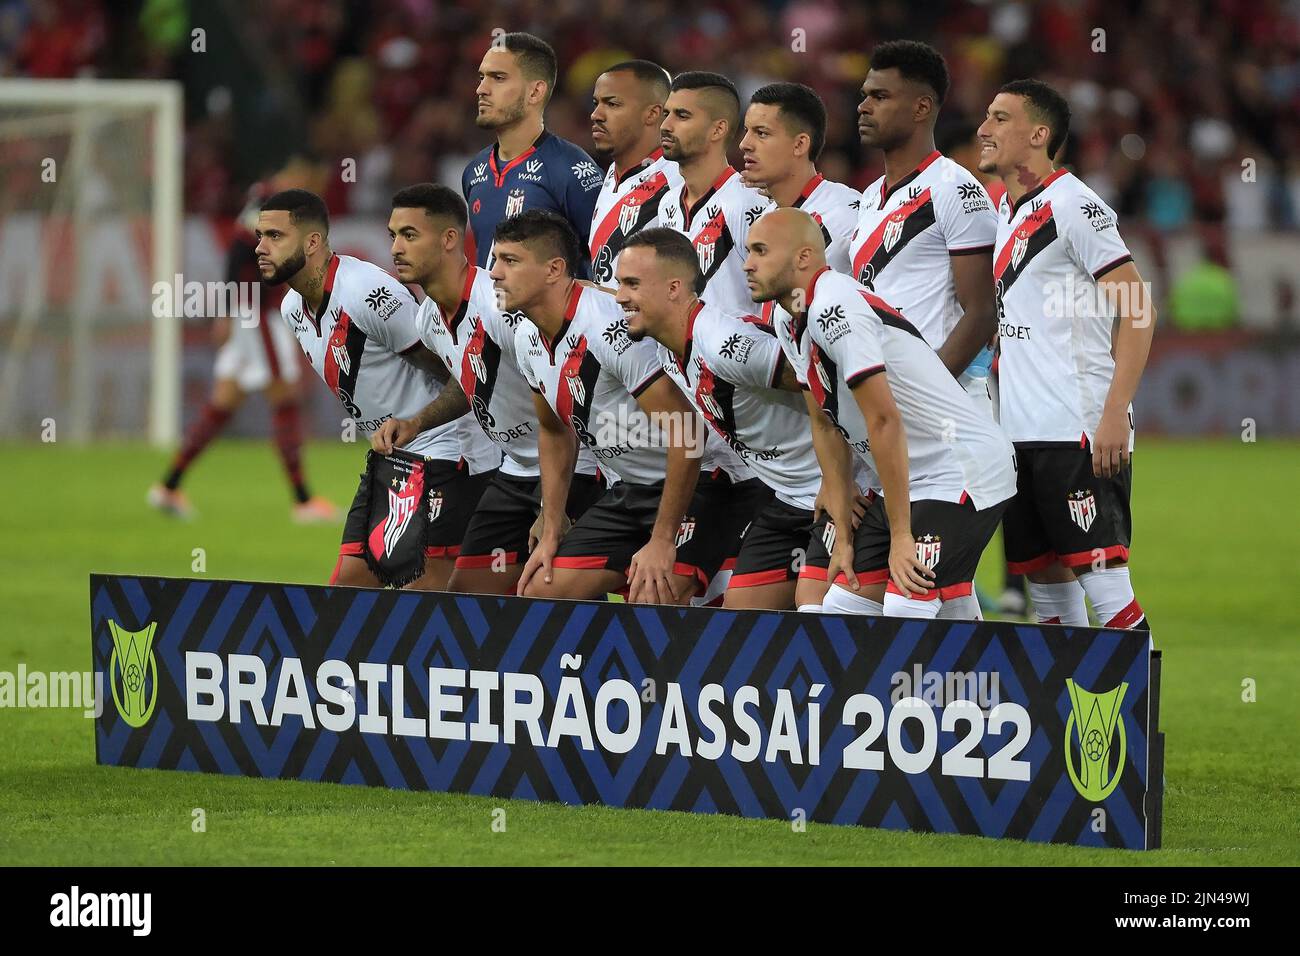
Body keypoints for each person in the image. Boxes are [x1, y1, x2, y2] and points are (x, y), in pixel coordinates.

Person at [747, 209, 1017, 620]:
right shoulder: (789, 317)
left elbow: (883, 421)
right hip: (916, 481)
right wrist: (841, 529)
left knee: (905, 602)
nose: (748, 263)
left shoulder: (834, 308)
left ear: (803, 257)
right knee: (840, 606)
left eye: (760, 251)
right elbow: (823, 420)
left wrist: (901, 534)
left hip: (960, 470)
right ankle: (986, 683)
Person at [494, 209, 765, 605]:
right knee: (541, 592)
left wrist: (661, 539)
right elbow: (554, 430)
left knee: (652, 595)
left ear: (554, 270)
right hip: (631, 489)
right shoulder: (525, 338)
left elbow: (687, 431)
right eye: (496, 260)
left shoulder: (608, 326)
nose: (495, 274)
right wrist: (552, 522)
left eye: (510, 261)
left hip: (705, 482)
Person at [617, 227, 874, 610]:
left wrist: (837, 479)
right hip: (787, 497)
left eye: (632, 285)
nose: (621, 297)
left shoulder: (723, 345)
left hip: (839, 491)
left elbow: (824, 378)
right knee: (740, 620)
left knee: (819, 609)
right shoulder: (668, 350)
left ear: (674, 288)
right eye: (620, 284)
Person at [255, 188, 498, 589]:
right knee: (347, 590)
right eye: (260, 236)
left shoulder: (366, 292)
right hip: (392, 458)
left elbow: (455, 370)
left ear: (313, 242)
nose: (261, 248)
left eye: (275, 236)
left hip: (443, 451)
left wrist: (441, 429)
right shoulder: (292, 309)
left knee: (427, 594)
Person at [977, 79, 1154, 630]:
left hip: (1076, 429)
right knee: (1048, 595)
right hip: (1020, 433)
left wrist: (1112, 411)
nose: (984, 129)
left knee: (1107, 591)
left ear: (1039, 134)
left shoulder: (1076, 205)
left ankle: (1142, 718)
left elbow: (1139, 308)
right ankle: (1073, 716)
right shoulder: (1007, 208)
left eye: (1000, 118)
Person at [372, 183, 604, 595]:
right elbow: (473, 384)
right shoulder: (428, 318)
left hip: (574, 468)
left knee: (558, 594)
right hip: (515, 470)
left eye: (410, 235)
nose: (396, 248)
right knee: (468, 596)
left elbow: (559, 396)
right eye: (392, 236)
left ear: (449, 239)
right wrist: (416, 423)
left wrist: (553, 510)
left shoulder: (502, 307)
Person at [148, 170, 338, 523]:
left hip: (247, 314)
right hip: (256, 317)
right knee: (284, 400)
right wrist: (228, 312)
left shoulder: (261, 206)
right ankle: (303, 501)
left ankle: (168, 487)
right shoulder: (268, 207)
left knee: (221, 404)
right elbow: (238, 254)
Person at [852, 40, 1000, 414]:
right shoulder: (870, 196)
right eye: (865, 95)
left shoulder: (956, 190)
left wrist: (923, 392)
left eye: (880, 97)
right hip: (885, 405)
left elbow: (983, 311)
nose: (863, 107)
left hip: (945, 410)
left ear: (921, 107)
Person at [463, 32, 602, 273]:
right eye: (481, 77)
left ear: (535, 92)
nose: (481, 89)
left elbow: (608, 268)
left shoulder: (571, 171)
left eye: (498, 78)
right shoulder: (474, 171)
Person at [658, 71, 771, 315]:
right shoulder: (668, 202)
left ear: (718, 129)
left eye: (682, 115)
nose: (666, 125)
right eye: (666, 114)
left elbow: (773, 301)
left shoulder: (750, 201)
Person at [587, 59, 683, 287]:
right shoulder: (611, 173)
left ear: (652, 114)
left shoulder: (677, 179)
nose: (596, 114)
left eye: (612, 104)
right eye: (596, 103)